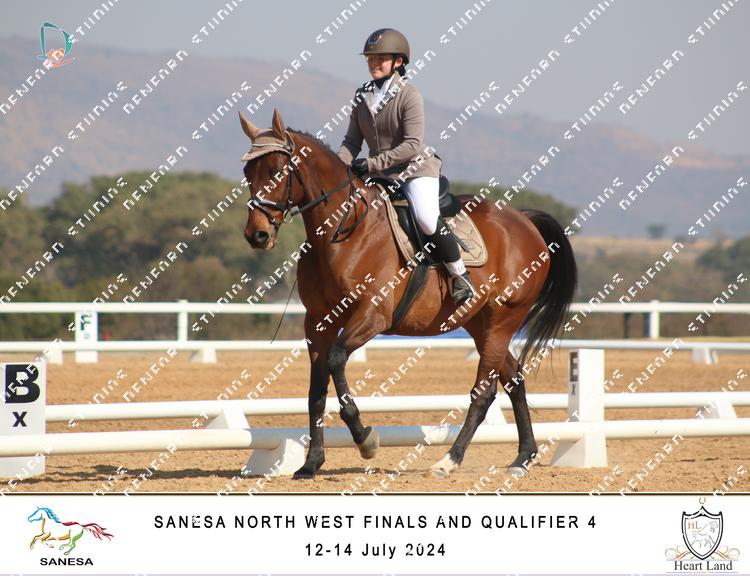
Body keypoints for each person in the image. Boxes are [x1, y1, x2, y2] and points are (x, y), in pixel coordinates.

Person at [337, 28, 476, 306]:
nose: (373, 63)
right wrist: (338, 167)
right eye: (370, 58)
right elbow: (352, 141)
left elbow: (412, 145)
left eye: (380, 58)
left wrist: (372, 163)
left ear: (398, 61)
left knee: (426, 217)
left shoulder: (409, 95)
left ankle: (460, 275)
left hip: (415, 170)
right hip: (379, 174)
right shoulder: (362, 95)